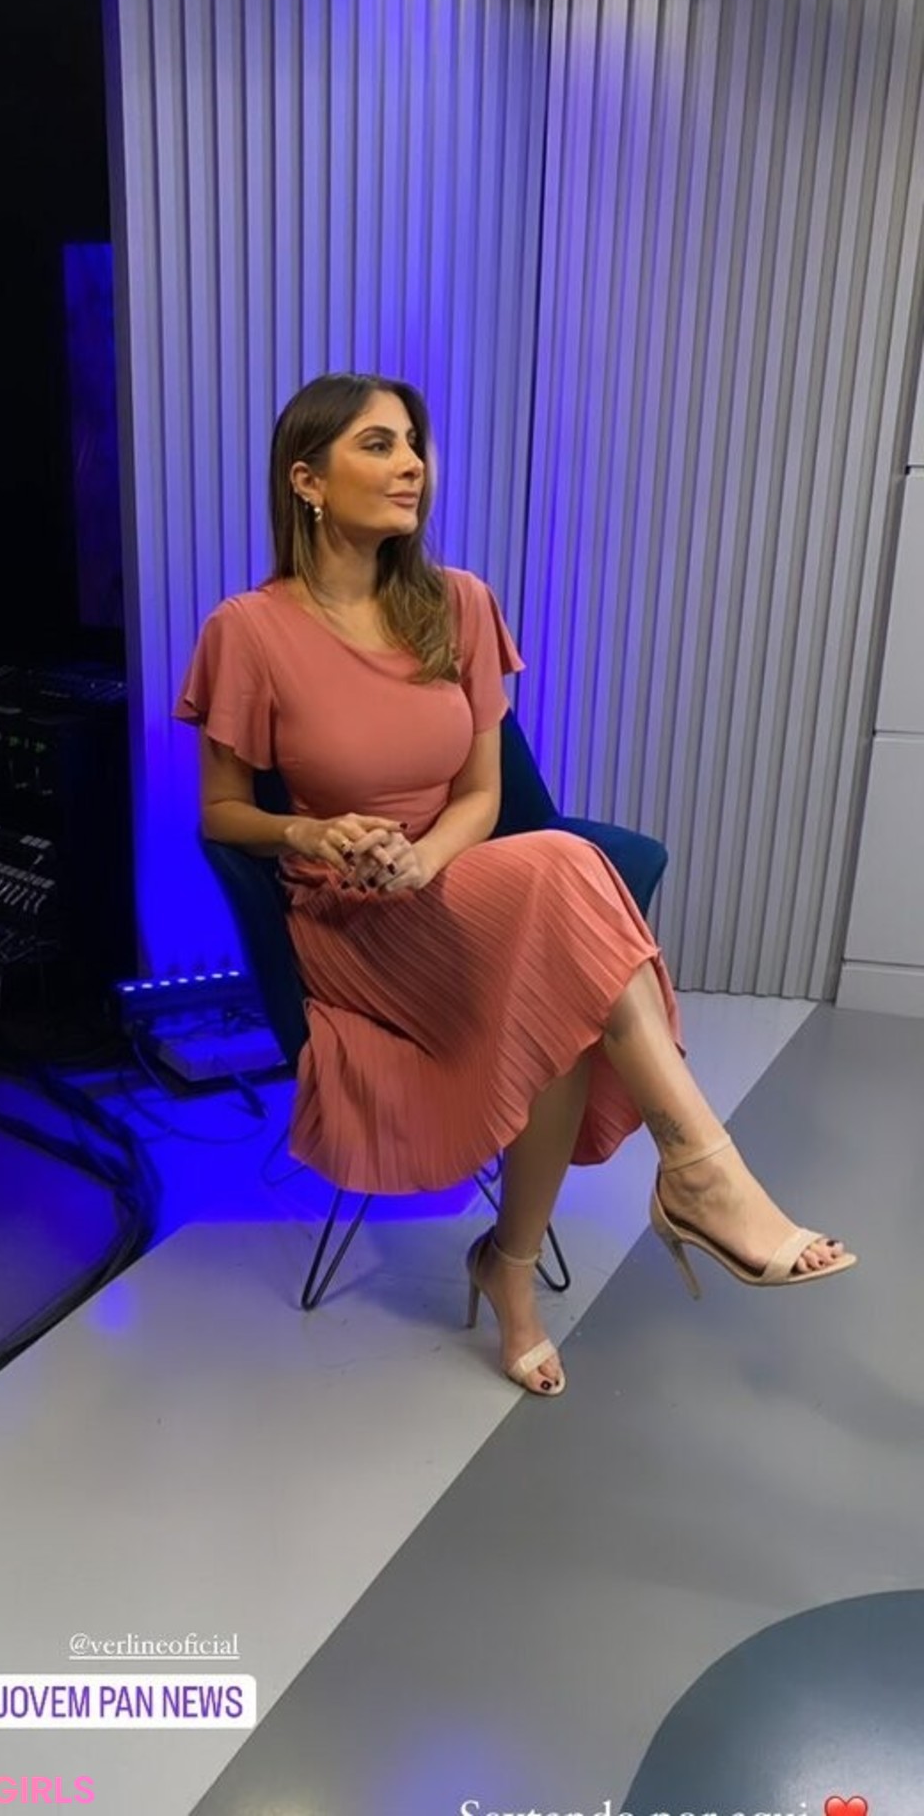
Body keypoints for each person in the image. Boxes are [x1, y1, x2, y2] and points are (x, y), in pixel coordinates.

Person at [174, 373, 855, 1398]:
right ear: (306, 480)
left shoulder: (459, 604)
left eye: (415, 443)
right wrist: (311, 829)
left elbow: (484, 795)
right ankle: (690, 1177)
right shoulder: (249, 629)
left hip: (452, 878)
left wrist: (426, 859)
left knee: (559, 942)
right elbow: (222, 814)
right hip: (352, 925)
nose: (412, 464)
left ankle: (548, 1248)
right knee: (568, 895)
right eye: (378, 444)